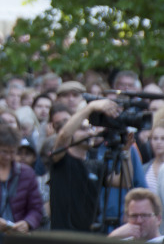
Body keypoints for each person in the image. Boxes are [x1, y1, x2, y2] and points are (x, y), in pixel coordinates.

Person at [49, 98, 132, 232]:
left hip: (90, 235)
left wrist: (126, 151)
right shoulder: (61, 159)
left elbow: (124, 181)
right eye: (82, 129)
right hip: (63, 235)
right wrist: (91, 107)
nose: (89, 132)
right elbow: (64, 135)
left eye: (90, 128)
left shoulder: (97, 164)